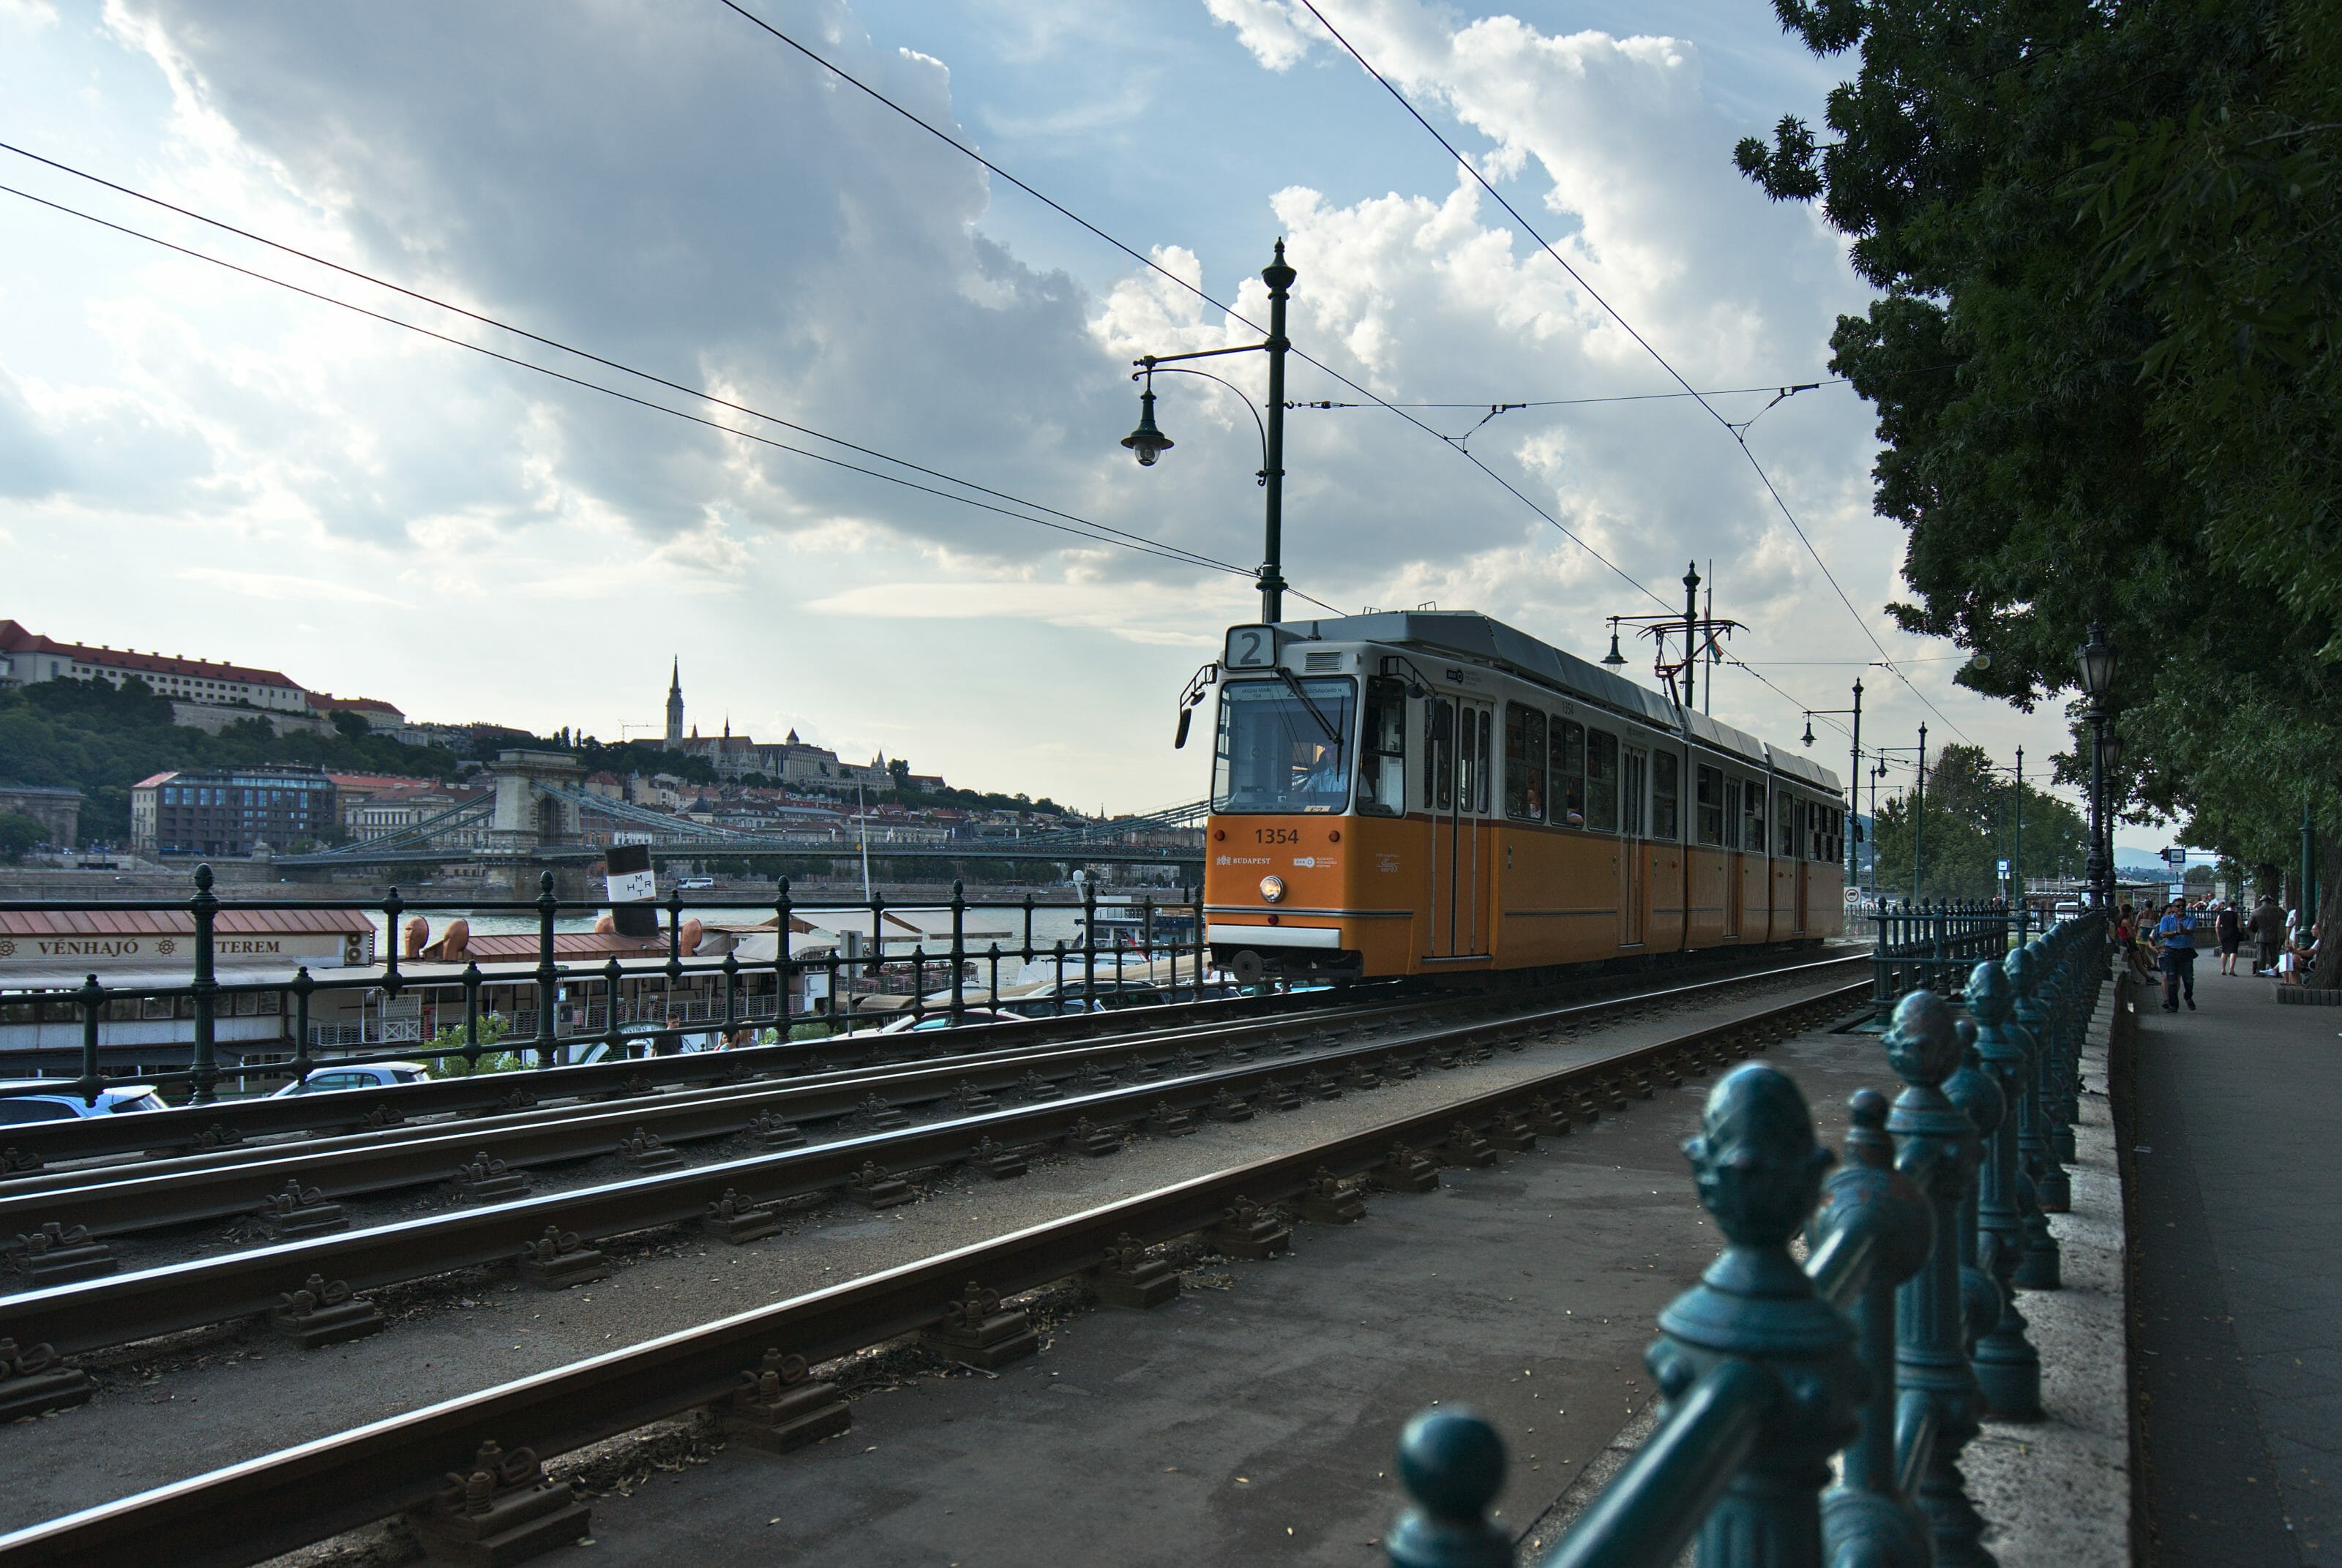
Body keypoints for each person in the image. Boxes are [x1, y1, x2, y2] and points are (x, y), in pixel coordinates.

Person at [2155, 896, 2198, 1012]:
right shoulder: (2166, 919)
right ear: (2173, 908)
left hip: (2186, 951)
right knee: (2172, 979)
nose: (2181, 908)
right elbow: (2163, 933)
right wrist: (2176, 932)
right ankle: (2173, 1005)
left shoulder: (2191, 919)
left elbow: (2191, 931)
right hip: (2171, 951)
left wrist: (2184, 931)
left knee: (2188, 979)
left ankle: (2188, 996)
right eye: (2178, 906)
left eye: (2183, 906)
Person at [2249, 893, 2286, 976]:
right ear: (2271, 902)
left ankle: (2260, 971)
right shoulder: (2277, 910)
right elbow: (2287, 918)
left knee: (2261, 955)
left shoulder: (2255, 912)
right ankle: (2276, 971)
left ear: (2262, 902)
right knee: (2274, 955)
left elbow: (2249, 926)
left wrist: (2257, 930)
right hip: (2273, 935)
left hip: (2260, 935)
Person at [2215, 900, 2243, 976]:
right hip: (2234, 934)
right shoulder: (2236, 914)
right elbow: (2240, 926)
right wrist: (2240, 930)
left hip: (2224, 934)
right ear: (2234, 906)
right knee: (2233, 951)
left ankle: (2223, 969)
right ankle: (2231, 969)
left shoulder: (2221, 914)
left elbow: (2217, 925)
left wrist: (2218, 935)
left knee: (2224, 951)